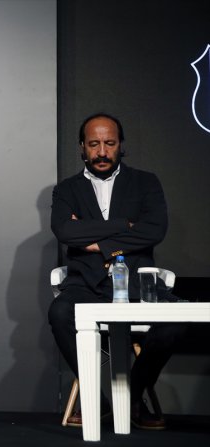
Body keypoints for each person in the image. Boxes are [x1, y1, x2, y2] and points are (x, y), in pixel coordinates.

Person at [48, 113, 186, 430]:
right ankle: (97, 400)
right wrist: (125, 225)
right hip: (85, 284)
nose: (102, 152)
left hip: (137, 283)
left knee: (176, 321)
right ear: (82, 147)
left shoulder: (146, 182)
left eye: (109, 143)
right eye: (93, 144)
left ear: (121, 145)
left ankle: (132, 396)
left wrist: (97, 241)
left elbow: (154, 230)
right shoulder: (66, 189)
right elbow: (65, 231)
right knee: (59, 313)